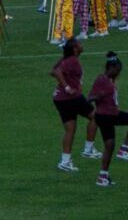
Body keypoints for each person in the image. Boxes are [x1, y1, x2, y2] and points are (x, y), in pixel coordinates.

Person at [90, 51, 128, 186]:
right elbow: (89, 98)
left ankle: (102, 176)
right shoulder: (101, 80)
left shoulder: (109, 80)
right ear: (111, 68)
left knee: (109, 146)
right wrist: (98, 96)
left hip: (107, 116)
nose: (118, 73)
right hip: (107, 115)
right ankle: (124, 150)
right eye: (117, 70)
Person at [53, 39, 91, 172]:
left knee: (70, 129)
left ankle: (65, 161)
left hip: (60, 98)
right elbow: (57, 72)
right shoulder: (72, 61)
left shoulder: (67, 59)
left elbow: (53, 70)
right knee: (96, 116)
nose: (82, 45)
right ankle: (89, 149)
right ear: (75, 49)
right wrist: (67, 87)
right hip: (71, 97)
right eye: (79, 44)